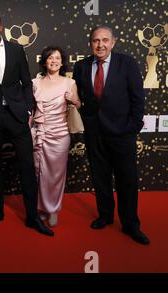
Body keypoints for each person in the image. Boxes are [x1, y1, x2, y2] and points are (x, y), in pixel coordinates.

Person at [0, 13, 54, 236]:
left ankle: (32, 217)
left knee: (27, 168)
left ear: (1, 28)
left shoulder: (16, 50)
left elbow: (25, 82)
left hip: (17, 115)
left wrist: (29, 108)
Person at [73, 25, 149, 245]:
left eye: (105, 40)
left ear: (113, 43)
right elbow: (82, 98)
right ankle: (105, 216)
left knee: (127, 181)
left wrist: (132, 128)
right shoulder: (82, 66)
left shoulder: (127, 63)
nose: (100, 44)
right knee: (100, 178)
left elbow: (138, 98)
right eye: (96, 40)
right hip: (95, 133)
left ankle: (130, 225)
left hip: (122, 133)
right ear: (90, 43)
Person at [31, 46, 80, 227]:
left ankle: (53, 209)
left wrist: (73, 100)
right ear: (44, 61)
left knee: (56, 174)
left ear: (62, 62)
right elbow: (31, 111)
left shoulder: (70, 83)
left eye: (57, 58)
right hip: (40, 133)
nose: (54, 61)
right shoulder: (35, 83)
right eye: (50, 58)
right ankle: (41, 208)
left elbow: (78, 104)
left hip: (60, 134)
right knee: (39, 173)